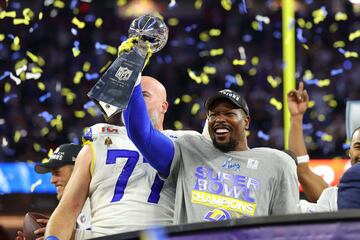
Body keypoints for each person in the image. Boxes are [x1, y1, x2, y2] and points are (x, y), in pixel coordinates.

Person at [122, 77, 300, 224]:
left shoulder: (276, 163)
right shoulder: (189, 149)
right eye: (213, 115)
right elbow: (141, 133)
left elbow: (287, 228)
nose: (220, 119)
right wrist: (133, 71)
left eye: (229, 114)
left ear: (246, 121)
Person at [45, 76, 198, 240]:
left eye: (143, 95)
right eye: (130, 95)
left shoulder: (185, 142)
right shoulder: (99, 139)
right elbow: (69, 208)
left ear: (164, 106)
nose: (134, 100)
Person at [288, 82, 360, 212]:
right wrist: (296, 118)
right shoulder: (333, 198)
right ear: (349, 152)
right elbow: (302, 171)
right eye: (358, 146)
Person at [16, 143, 91, 240]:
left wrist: (67, 235)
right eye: (52, 174)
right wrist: (56, 231)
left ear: (78, 171)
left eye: (57, 173)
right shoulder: (68, 211)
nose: (52, 180)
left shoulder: (101, 203)